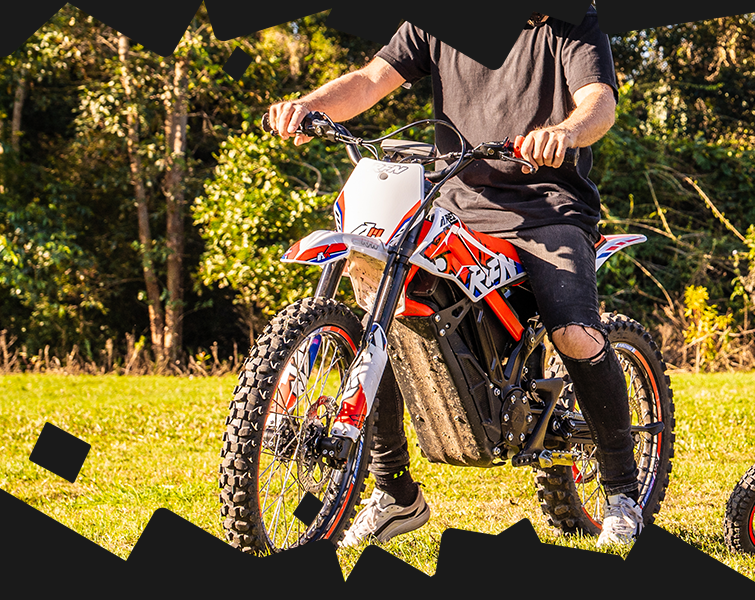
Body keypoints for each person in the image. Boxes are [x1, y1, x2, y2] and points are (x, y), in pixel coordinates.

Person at [264, 7, 648, 547]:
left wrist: (564, 132)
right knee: (386, 308)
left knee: (573, 333)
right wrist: (310, 105)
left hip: (547, 209)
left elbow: (598, 102)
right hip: (453, 207)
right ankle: (395, 493)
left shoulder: (570, 24)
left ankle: (622, 495)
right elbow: (373, 78)